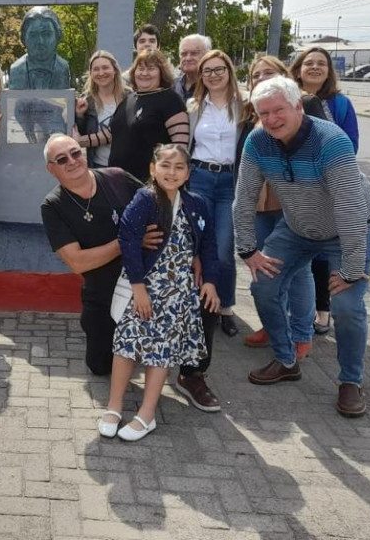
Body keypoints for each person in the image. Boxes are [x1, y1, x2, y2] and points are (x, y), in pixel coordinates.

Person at [232, 76, 370, 418]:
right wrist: (248, 250)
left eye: (278, 110)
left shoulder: (331, 141)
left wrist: (352, 269)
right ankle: (287, 360)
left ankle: (350, 382)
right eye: (263, 113)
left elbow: (349, 207)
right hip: (299, 227)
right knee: (264, 285)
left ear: (298, 106)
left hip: (351, 227)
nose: (271, 119)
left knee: (346, 305)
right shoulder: (257, 142)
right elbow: (243, 199)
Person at [97, 144, 219, 441]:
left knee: (161, 351)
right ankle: (114, 406)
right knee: (126, 344)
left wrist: (211, 281)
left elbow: (208, 246)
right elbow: (128, 240)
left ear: (188, 172)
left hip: (178, 293)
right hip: (145, 287)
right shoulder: (145, 199)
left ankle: (147, 414)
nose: (171, 172)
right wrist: (138, 287)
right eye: (165, 165)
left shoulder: (197, 203)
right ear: (153, 169)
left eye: (179, 167)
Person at [40, 134, 162, 375]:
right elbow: (77, 262)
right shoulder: (53, 205)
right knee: (100, 366)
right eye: (62, 159)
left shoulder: (116, 177)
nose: (72, 161)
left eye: (75, 153)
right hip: (103, 293)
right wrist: (128, 242)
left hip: (147, 283)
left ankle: (191, 373)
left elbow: (158, 206)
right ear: (51, 169)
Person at [242, 56, 324, 355]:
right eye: (255, 74)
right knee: (268, 267)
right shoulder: (253, 111)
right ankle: (273, 325)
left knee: (299, 270)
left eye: (269, 73)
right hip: (261, 200)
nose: (261, 77)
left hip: (294, 200)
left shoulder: (306, 104)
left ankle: (301, 334)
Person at [289, 46, 360, 336]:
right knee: (297, 250)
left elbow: (350, 144)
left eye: (321, 64)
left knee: (322, 255)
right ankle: (296, 312)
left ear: (329, 70)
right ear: (299, 68)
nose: (315, 68)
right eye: (309, 63)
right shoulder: (288, 99)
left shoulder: (340, 104)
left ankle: (322, 311)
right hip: (293, 186)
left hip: (329, 185)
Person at [187, 49, 247, 339]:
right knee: (198, 245)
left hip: (230, 181)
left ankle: (225, 306)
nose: (213, 75)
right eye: (207, 70)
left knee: (224, 250)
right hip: (199, 177)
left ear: (229, 71)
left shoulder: (245, 106)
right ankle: (198, 305)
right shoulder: (193, 107)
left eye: (218, 69)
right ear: (201, 76)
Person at [107, 48, 190, 182]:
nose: (144, 73)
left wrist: (168, 180)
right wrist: (79, 139)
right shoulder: (128, 99)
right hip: (118, 183)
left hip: (150, 184)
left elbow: (180, 148)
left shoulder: (170, 100)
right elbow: (111, 134)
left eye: (151, 68)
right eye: (140, 69)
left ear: (161, 73)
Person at [73, 51, 126, 168]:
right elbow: (79, 132)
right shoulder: (87, 101)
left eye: (105, 67)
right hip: (98, 167)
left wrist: (81, 140)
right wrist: (80, 115)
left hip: (127, 166)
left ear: (115, 70)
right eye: (96, 69)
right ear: (91, 73)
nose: (101, 73)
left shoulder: (129, 98)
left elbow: (122, 132)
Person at [8, 6, 72, 90]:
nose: (40, 41)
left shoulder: (63, 69)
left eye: (47, 34)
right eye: (33, 35)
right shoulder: (16, 69)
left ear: (57, 36)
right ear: (23, 38)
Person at [173, 34, 210, 102]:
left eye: (194, 53)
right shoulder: (171, 86)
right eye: (183, 54)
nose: (188, 58)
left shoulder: (213, 87)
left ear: (207, 55)